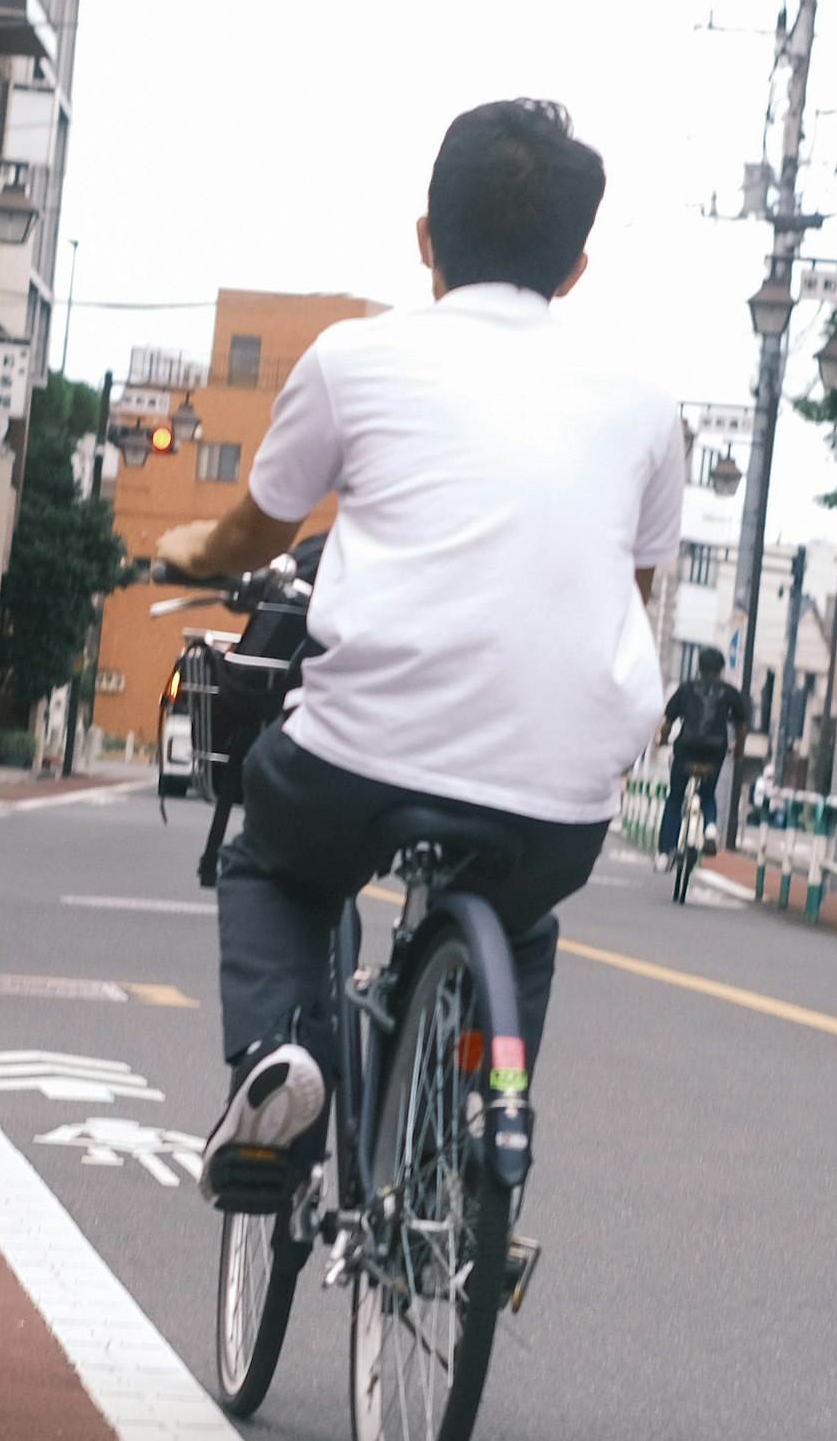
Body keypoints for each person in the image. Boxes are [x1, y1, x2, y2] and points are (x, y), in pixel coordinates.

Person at [150, 99, 678, 1206]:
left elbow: (258, 529)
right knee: (520, 922)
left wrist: (188, 549)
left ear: (426, 236)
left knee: (271, 859)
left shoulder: (358, 358)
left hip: (363, 759)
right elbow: (629, 593)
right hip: (561, 793)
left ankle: (280, 1060)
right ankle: (484, 1124)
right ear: (576, 269)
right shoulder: (646, 408)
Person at [655, 647, 747, 859]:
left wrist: (663, 740)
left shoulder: (686, 689)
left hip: (686, 749)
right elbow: (742, 724)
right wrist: (738, 749)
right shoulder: (729, 692)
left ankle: (663, 855)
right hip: (714, 753)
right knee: (707, 795)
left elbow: (667, 721)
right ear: (722, 670)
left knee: (675, 798)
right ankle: (711, 829)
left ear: (698, 667)